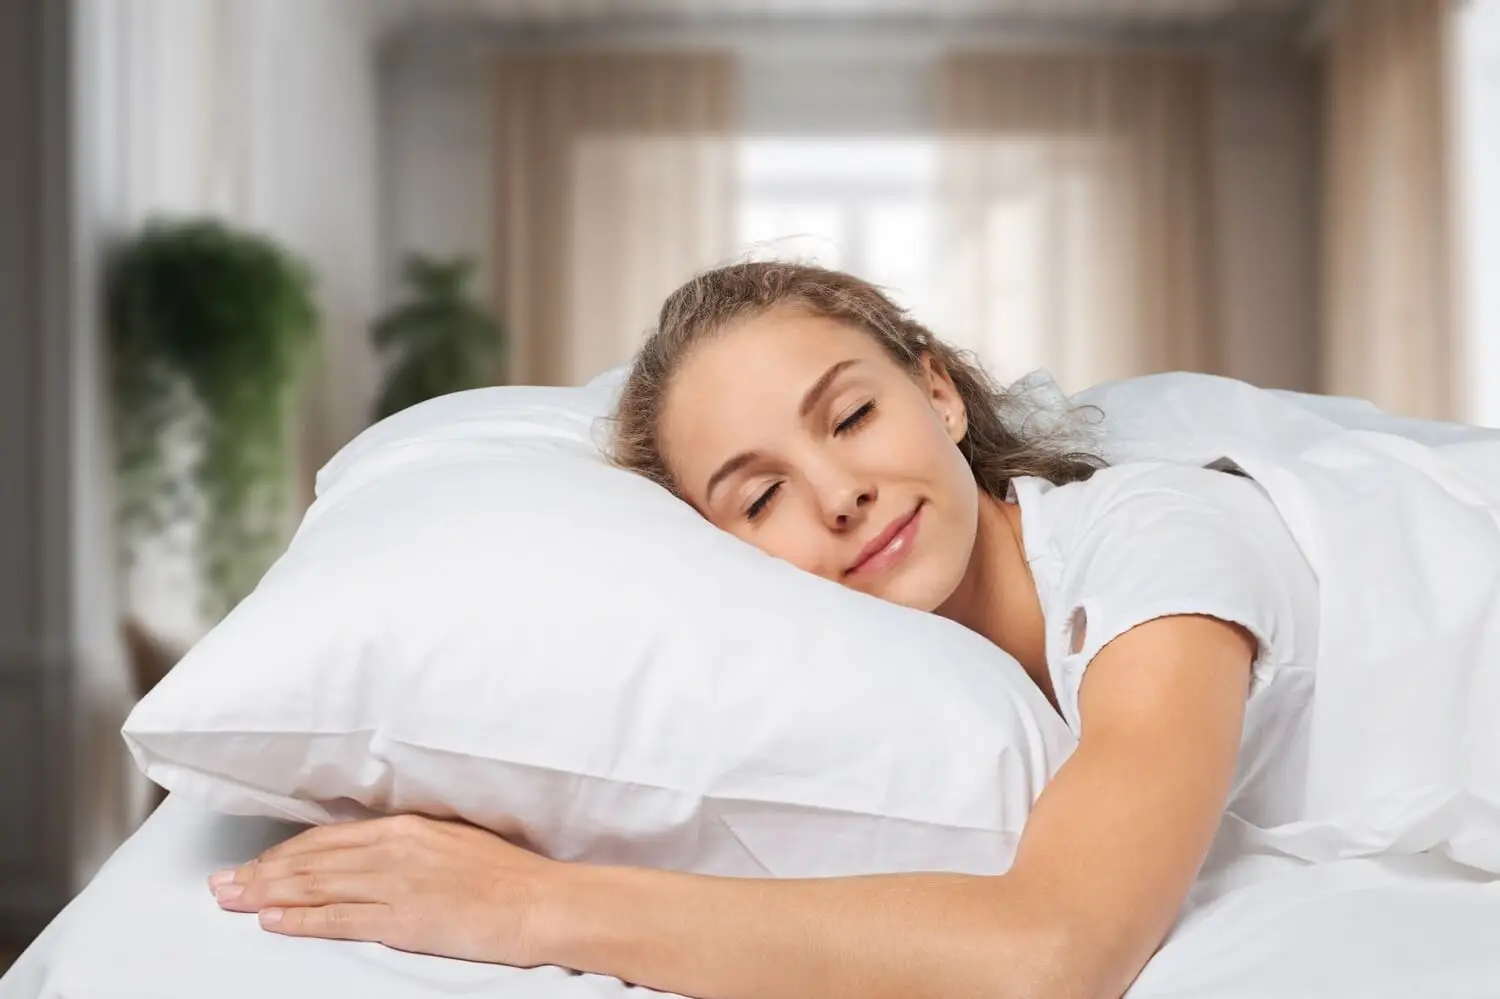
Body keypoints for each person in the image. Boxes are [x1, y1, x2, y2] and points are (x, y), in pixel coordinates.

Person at [206, 262, 1322, 999]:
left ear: (938, 393)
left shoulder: (1156, 544)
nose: (837, 494)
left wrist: (527, 904)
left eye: (851, 415)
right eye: (757, 498)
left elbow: (1055, 951)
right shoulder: (907, 663)